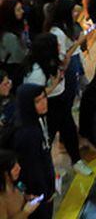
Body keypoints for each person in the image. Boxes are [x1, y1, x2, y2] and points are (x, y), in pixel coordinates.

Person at [21, 33, 92, 176]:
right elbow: (34, 95)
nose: (60, 47)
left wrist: (76, 45)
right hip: (49, 105)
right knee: (48, 138)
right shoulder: (36, 72)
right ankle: (45, 170)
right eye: (57, 45)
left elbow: (63, 61)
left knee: (69, 130)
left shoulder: (51, 60)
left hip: (60, 99)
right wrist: (53, 86)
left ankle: (76, 160)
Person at [11, 85, 55, 219]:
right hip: (37, 194)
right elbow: (32, 169)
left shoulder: (34, 120)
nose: (43, 103)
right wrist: (45, 193)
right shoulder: (28, 133)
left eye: (44, 98)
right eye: (37, 101)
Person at [0, 149, 43, 218]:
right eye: (15, 169)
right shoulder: (1, 200)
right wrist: (26, 212)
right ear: (5, 174)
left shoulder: (18, 184)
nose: (19, 168)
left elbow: (24, 192)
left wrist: (28, 197)